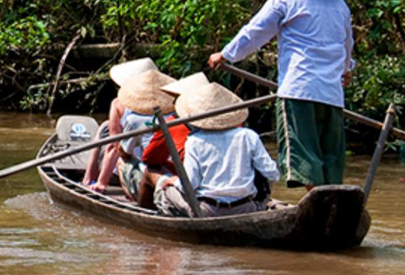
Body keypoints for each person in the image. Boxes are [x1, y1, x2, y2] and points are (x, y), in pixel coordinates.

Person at [208, 0, 354, 189]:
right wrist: (346, 69)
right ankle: (330, 206)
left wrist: (225, 54)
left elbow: (255, 31)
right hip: (331, 93)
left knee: (303, 156)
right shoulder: (340, 5)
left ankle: (320, 206)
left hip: (299, 89)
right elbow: (346, 43)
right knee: (329, 157)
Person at [155, 81, 279, 217]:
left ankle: (174, 228)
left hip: (207, 211)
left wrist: (173, 182)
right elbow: (272, 173)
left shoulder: (194, 141)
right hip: (246, 208)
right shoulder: (248, 135)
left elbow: (190, 184)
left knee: (164, 188)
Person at [81, 58, 175, 195]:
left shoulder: (118, 104)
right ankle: (89, 178)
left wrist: (102, 183)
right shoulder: (172, 103)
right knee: (106, 127)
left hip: (137, 169)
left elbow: (114, 147)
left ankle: (88, 179)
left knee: (104, 130)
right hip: (168, 166)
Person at [136, 72, 207, 208]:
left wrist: (174, 176)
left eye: (176, 100)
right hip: (228, 188)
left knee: (150, 171)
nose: (173, 104)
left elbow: (151, 160)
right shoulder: (235, 125)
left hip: (199, 193)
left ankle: (143, 216)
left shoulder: (172, 124)